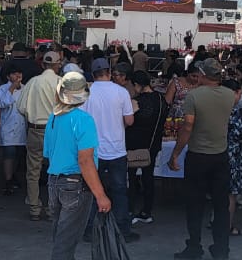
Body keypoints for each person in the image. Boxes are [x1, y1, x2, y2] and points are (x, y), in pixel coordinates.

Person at [169, 59, 237, 260]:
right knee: (220, 205)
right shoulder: (229, 95)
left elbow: (188, 126)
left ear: (202, 74)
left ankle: (194, 246)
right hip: (220, 155)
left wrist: (176, 153)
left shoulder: (194, 96)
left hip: (198, 155)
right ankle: (221, 248)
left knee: (195, 204)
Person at [44, 71, 113, 260]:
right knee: (65, 245)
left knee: (61, 237)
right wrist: (101, 196)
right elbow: (85, 160)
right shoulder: (84, 120)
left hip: (55, 182)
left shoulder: (53, 117)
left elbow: (48, 153)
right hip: (75, 185)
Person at [81, 59, 138, 241]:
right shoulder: (121, 92)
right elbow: (129, 121)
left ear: (92, 73)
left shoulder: (86, 93)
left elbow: (80, 121)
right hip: (117, 150)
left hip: (93, 151)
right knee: (119, 191)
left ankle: (89, 229)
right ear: (109, 71)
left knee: (91, 189)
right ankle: (123, 230)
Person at [16, 50, 63, 221]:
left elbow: (20, 107)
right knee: (55, 171)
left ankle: (35, 207)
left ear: (43, 64)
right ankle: (52, 208)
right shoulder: (61, 83)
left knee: (33, 171)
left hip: (35, 130)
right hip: (55, 131)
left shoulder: (33, 82)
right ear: (58, 64)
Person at [127, 69, 167, 225]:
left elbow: (128, 121)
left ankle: (130, 209)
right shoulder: (160, 98)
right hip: (153, 144)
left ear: (137, 85)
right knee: (148, 177)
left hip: (134, 145)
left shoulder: (137, 102)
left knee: (131, 177)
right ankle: (146, 210)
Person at [224, 81, 242, 236]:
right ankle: (227, 226)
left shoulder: (217, 109)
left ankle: (217, 221)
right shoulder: (233, 113)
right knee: (230, 194)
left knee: (220, 191)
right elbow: (240, 134)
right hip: (232, 157)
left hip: (217, 152)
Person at [0, 65, 27, 196]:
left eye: (19, 73)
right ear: (8, 76)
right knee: (9, 154)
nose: (17, 76)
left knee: (18, 154)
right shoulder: (3, 89)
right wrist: (12, 87)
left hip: (21, 128)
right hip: (7, 127)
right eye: (14, 74)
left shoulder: (26, 88)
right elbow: (2, 103)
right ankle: (8, 180)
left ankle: (13, 175)